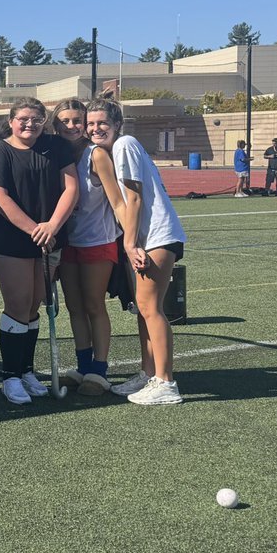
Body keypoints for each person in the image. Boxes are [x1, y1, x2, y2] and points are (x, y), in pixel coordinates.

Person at [86, 99, 187, 406]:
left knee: (150, 307)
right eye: (90, 124)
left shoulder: (125, 145)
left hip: (156, 236)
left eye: (102, 122)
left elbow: (135, 199)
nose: (95, 128)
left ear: (117, 124)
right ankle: (148, 373)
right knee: (142, 310)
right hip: (147, 237)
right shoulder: (116, 149)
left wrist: (130, 245)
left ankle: (166, 382)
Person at [0, 97, 79, 405]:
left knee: (34, 304)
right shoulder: (0, 150)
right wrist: (35, 230)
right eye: (23, 118)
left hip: (48, 237)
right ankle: (10, 376)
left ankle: (26, 371)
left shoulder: (55, 146)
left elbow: (71, 188)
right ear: (11, 121)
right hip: (11, 238)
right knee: (18, 303)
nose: (29, 124)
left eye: (37, 120)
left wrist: (52, 226)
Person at [48, 100, 125, 396]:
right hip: (68, 243)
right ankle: (83, 365)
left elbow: (118, 201)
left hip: (98, 240)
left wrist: (130, 241)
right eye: (64, 121)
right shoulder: (57, 154)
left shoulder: (96, 155)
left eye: (76, 120)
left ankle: (99, 369)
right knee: (74, 306)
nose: (71, 126)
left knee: (94, 304)